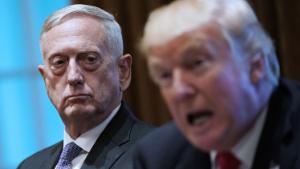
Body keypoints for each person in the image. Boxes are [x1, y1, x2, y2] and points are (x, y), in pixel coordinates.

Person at [133, 0, 300, 169]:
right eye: (165, 75)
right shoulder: (157, 158)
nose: (178, 91)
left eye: (197, 63)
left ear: (255, 65)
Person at [18, 4, 152, 169]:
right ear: (45, 78)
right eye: (59, 62)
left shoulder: (157, 154)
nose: (73, 77)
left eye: (89, 59)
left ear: (123, 71)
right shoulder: (30, 166)